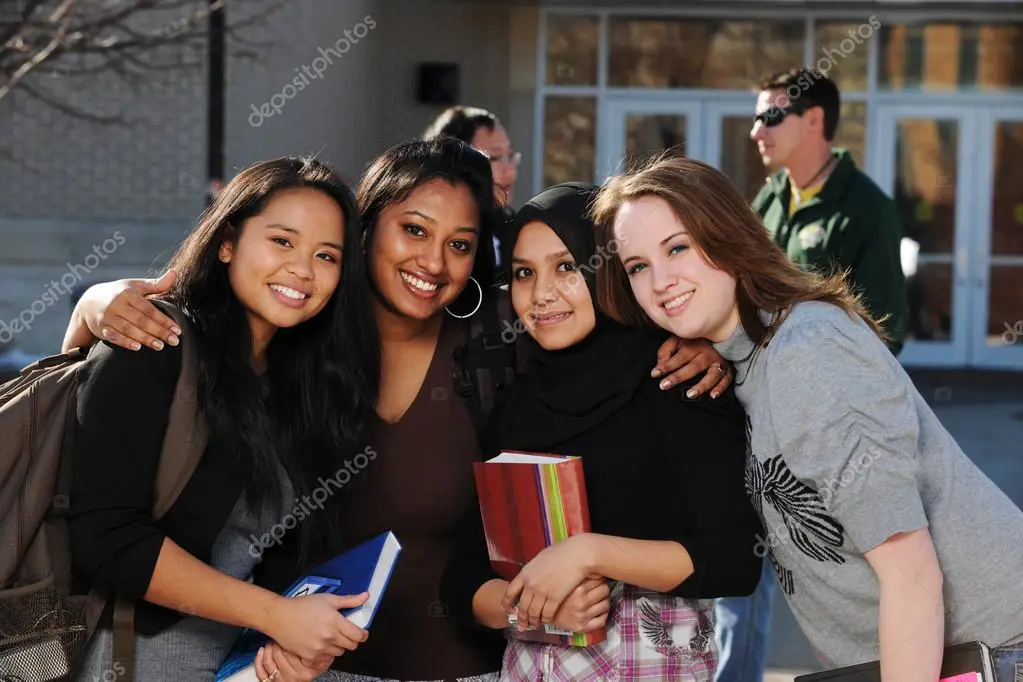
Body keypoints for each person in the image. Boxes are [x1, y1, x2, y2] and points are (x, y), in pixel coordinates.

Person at [62, 140, 735, 682]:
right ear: (367, 231)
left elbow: (589, 331)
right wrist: (95, 303)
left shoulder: (497, 354)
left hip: (469, 668)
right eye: (412, 229)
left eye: (460, 244)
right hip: (292, 665)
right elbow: (113, 490)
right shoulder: (300, 348)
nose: (433, 261)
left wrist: (695, 348)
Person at [590, 155, 1023, 682]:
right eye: (637, 266)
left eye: (677, 247)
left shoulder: (808, 349)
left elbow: (910, 573)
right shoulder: (743, 358)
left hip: (997, 653)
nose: (661, 281)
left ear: (728, 235)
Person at [68, 157, 380, 682]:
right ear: (228, 240)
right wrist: (274, 615)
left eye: (326, 255)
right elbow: (108, 538)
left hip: (237, 668)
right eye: (282, 241)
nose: (303, 269)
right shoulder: (155, 343)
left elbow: (271, 556)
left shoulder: (299, 386)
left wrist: (289, 640)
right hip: (134, 664)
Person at [440, 182, 763, 680]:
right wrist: (532, 609)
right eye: (524, 273)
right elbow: (463, 580)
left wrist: (588, 553)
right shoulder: (515, 406)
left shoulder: (678, 379)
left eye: (567, 267)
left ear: (606, 270)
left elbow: (736, 560)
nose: (541, 294)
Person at [749, 67, 908, 357]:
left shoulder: (868, 207)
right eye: (757, 119)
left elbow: (885, 326)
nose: (756, 132)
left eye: (771, 117)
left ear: (813, 119)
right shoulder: (768, 199)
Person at [422, 105, 521, 278]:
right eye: (496, 158)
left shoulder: (517, 230)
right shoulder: (427, 230)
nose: (510, 170)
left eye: (511, 156)